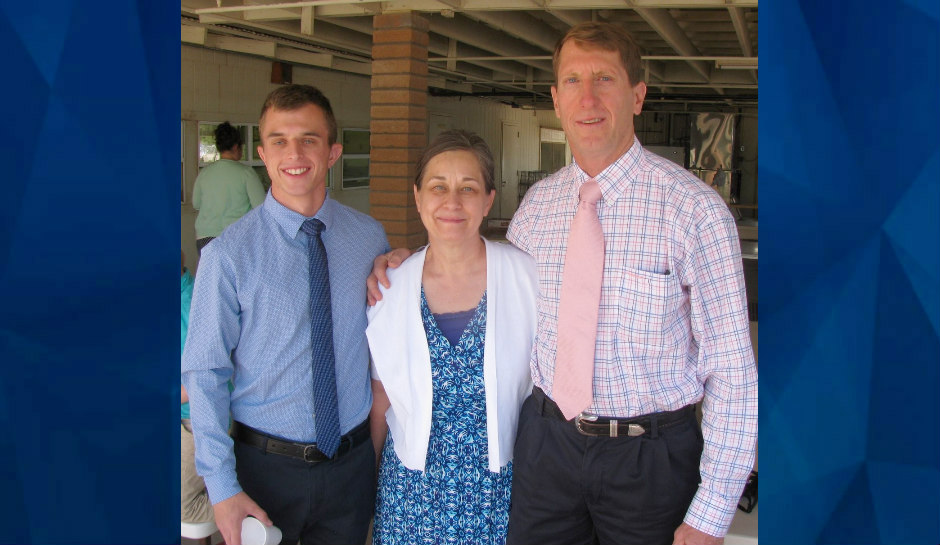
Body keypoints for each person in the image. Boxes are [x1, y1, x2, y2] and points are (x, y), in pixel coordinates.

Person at [367, 22, 758, 545]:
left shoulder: (695, 212)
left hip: (650, 458)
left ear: (637, 95)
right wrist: (401, 263)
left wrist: (710, 513)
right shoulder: (537, 210)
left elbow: (733, 373)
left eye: (605, 79)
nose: (588, 96)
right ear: (555, 98)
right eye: (572, 80)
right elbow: (475, 271)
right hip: (547, 449)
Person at [183, 84, 390, 545]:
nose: (293, 152)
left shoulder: (368, 238)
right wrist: (221, 487)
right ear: (261, 152)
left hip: (351, 465)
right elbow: (205, 372)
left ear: (333, 151)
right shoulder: (228, 255)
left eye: (309, 139)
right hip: (263, 470)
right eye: (278, 140)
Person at [366, 130, 537, 545]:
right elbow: (380, 398)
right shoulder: (390, 288)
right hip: (411, 494)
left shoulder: (527, 277)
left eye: (468, 188)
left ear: (489, 200)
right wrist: (365, 492)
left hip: (501, 492)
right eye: (438, 187)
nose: (452, 202)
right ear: (418, 197)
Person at [192, 121, 266, 254]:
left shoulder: (205, 173)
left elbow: (196, 203)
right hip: (235, 237)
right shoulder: (246, 173)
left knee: (211, 275)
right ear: (236, 146)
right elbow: (261, 206)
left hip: (205, 238)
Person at [180, 250, 213, 524]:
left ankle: (251, 507)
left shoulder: (192, 306)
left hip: (193, 417)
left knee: (181, 508)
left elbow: (205, 381)